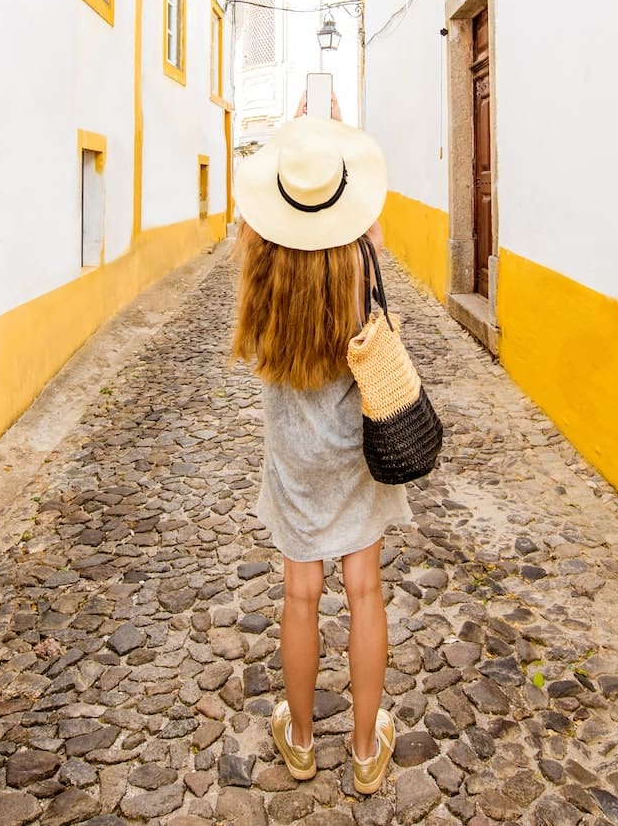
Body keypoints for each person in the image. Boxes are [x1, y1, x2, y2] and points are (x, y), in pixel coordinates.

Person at [230, 99, 410, 794]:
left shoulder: (261, 253)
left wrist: (291, 141)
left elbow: (252, 218)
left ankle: (300, 741)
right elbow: (371, 220)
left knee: (299, 591)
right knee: (365, 590)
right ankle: (366, 750)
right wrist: (334, 135)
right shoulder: (361, 249)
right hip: (357, 444)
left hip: (295, 452)